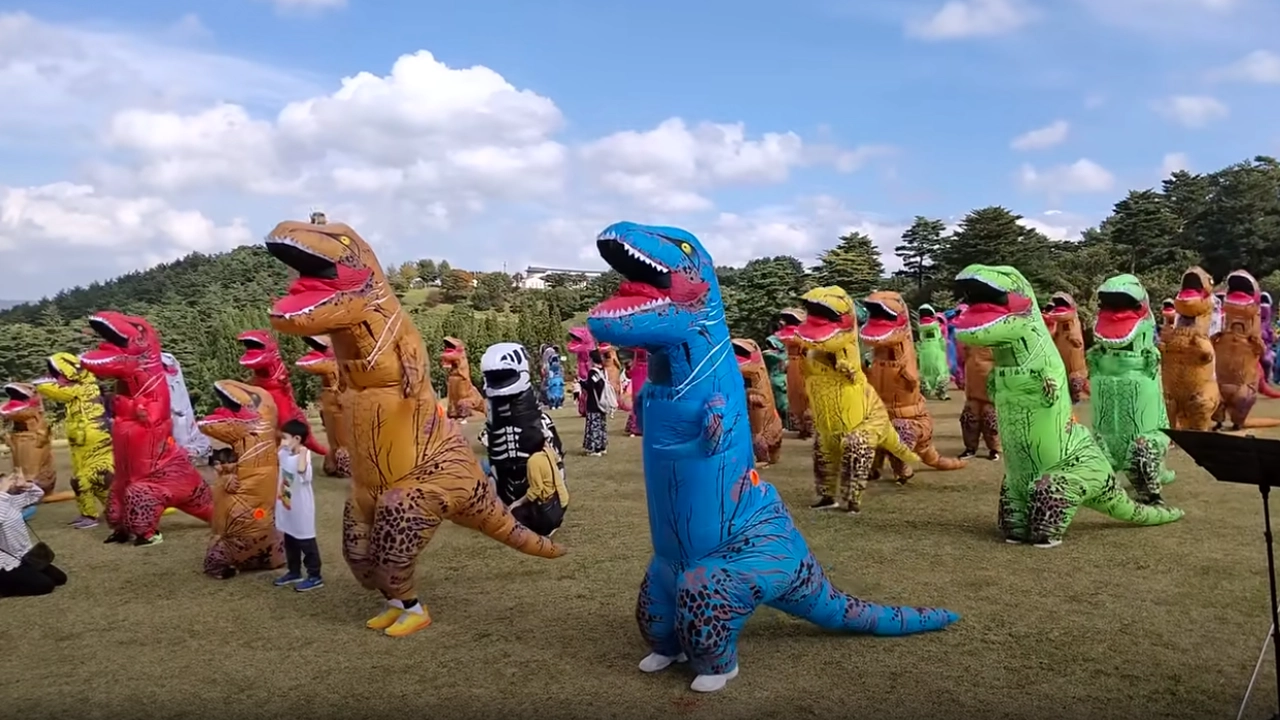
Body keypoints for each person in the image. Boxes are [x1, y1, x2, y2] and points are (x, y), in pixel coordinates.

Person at [273, 419, 323, 592]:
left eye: (285, 438)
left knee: (306, 542)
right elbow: (276, 453)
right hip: (288, 506)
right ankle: (294, 572)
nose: (282, 442)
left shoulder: (304, 458)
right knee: (290, 540)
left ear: (297, 438)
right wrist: (283, 445)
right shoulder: (284, 454)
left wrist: (302, 451)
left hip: (301, 509)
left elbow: (302, 471)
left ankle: (315, 576)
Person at [0, 472, 68, 597]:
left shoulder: (9, 501)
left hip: (23, 556)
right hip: (5, 563)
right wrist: (3, 493)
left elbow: (37, 495)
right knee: (45, 585)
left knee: (59, 578)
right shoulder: (3, 500)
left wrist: (25, 485)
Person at [511, 435, 568, 536]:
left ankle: (545, 528)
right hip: (561, 501)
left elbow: (536, 490)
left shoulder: (533, 461)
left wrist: (516, 503)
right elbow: (559, 461)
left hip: (548, 510)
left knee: (515, 514)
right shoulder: (548, 452)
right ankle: (554, 522)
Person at [582, 350, 610, 456]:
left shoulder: (592, 372)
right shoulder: (602, 371)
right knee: (601, 425)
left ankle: (595, 449)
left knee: (594, 425)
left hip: (594, 403)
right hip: (602, 402)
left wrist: (581, 382)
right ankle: (602, 446)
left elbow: (590, 387)